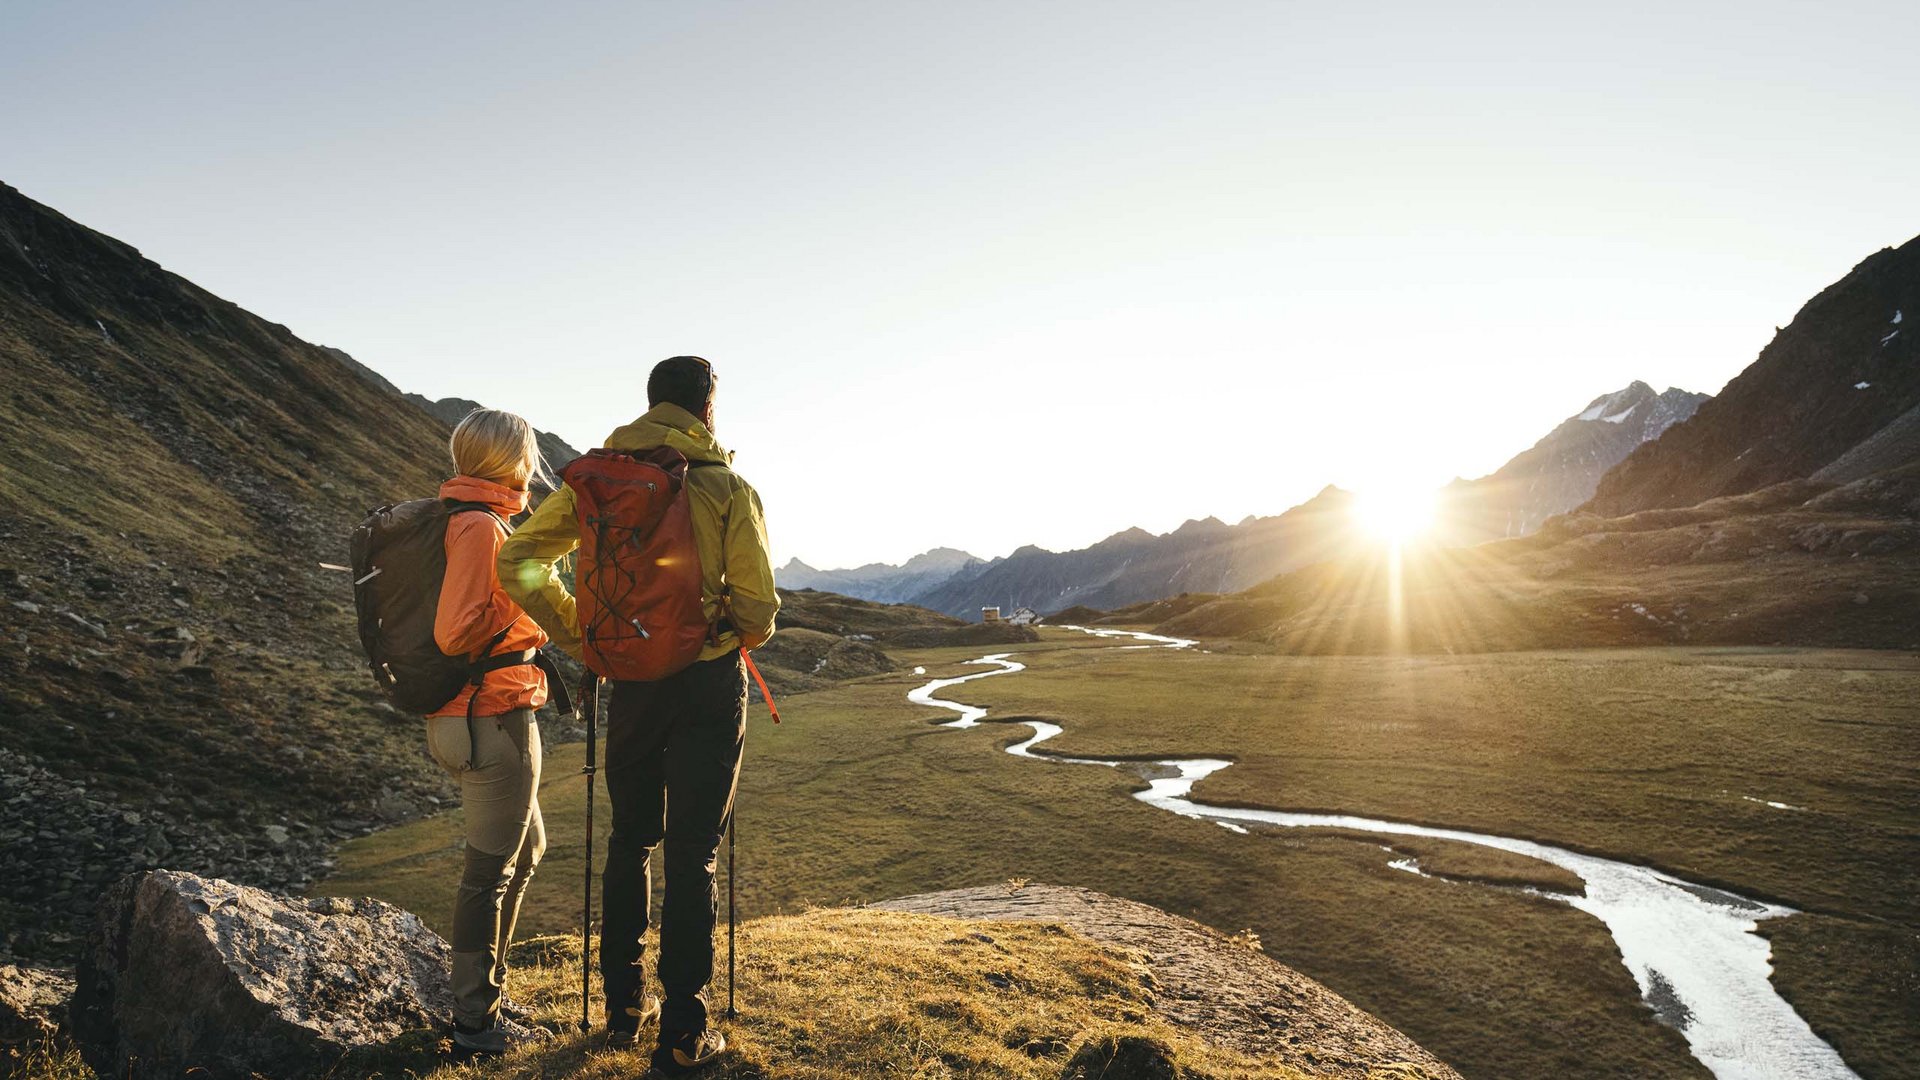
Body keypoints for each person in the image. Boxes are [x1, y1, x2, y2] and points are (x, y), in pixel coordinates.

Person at [499, 356, 778, 1074]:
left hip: (629, 682)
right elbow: (760, 613)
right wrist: (725, 629)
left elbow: (521, 557)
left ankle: (623, 1004)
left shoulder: (601, 480)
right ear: (707, 410)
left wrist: (580, 635)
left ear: (651, 404)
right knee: (695, 852)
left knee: (630, 839)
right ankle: (683, 1032)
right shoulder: (728, 488)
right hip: (708, 684)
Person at [425, 408, 556, 1054]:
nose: (533, 464)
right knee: (488, 874)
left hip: (479, 717)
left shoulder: (476, 518)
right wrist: (518, 598)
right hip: (492, 720)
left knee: (525, 851)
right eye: (527, 453)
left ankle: (489, 1001)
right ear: (511, 459)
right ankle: (474, 1023)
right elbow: (455, 631)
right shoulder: (481, 526)